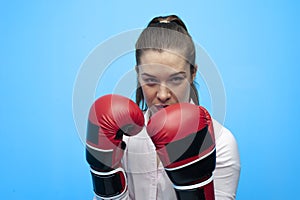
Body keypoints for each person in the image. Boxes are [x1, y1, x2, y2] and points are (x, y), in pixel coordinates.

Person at [86, 15, 240, 200]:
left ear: (193, 74)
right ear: (138, 75)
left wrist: (194, 188)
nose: (163, 94)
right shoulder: (123, 136)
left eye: (175, 79)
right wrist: (105, 178)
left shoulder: (220, 142)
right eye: (150, 80)